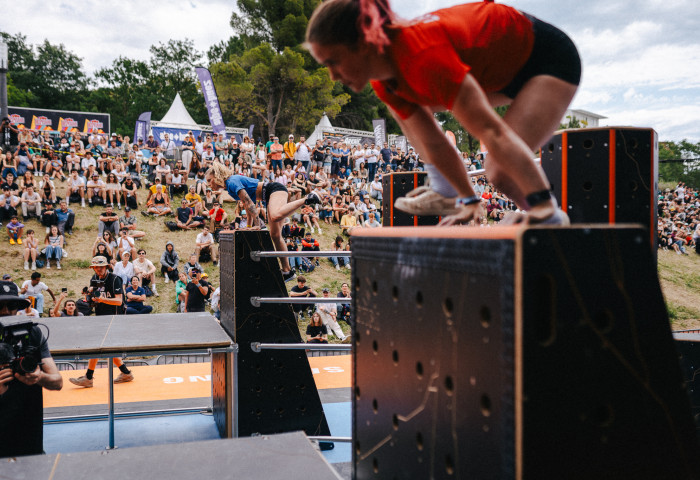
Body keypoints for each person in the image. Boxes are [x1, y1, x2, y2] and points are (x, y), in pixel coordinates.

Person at [306, 0, 579, 226]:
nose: (332, 76)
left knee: (499, 169)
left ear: (363, 42)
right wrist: (466, 198)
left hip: (548, 59)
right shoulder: (383, 80)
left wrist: (540, 206)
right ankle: (446, 189)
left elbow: (491, 131)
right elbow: (432, 141)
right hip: (502, 67)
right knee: (495, 170)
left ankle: (549, 214)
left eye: (333, 62)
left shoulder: (423, 57)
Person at [206, 162, 322, 282]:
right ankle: (287, 271)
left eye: (210, 180)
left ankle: (307, 199)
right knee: (275, 235)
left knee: (275, 215)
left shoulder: (231, 182)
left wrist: (257, 225)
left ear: (217, 176)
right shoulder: (228, 186)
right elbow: (247, 204)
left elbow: (249, 203)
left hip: (273, 190)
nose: (209, 184)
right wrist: (249, 226)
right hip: (269, 195)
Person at [0, 292, 63, 458]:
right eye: (0, 306)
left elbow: (57, 382)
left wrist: (39, 377)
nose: (5, 311)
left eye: (11, 306)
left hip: (30, 438)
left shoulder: (33, 333)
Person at [69, 256, 134, 388]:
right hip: (100, 316)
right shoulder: (94, 279)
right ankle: (126, 373)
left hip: (114, 317)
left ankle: (88, 377)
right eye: (96, 267)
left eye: (101, 267)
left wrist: (102, 300)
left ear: (106, 266)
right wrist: (88, 298)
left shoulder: (115, 279)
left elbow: (119, 301)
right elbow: (94, 299)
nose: (98, 270)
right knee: (106, 347)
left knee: (99, 345)